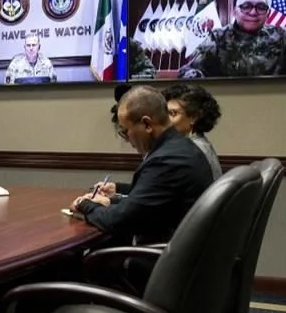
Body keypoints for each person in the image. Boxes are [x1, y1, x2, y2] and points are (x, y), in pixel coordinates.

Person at [72, 85, 213, 246]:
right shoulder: (183, 148)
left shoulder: (166, 160)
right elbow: (145, 203)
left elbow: (119, 222)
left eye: (126, 131)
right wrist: (110, 201)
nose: (126, 139)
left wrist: (85, 205)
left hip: (160, 262)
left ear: (147, 124)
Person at [179, 0, 286, 78]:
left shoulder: (282, 37)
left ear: (268, 13)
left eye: (261, 7)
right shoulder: (218, 37)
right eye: (246, 6)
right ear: (236, 12)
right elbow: (188, 71)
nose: (253, 12)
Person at [163, 82, 223, 179]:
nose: (165, 120)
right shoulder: (201, 144)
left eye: (172, 113)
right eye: (165, 113)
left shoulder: (188, 152)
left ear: (194, 117)